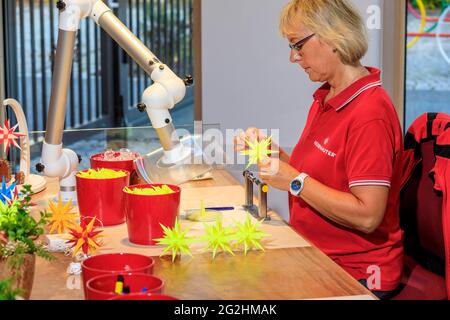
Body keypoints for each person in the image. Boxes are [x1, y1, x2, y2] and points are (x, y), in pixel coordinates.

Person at [235, 0, 403, 299]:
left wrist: (295, 182)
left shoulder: (369, 113)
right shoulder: (328, 96)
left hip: (358, 274)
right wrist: (274, 157)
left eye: (297, 45)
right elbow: (319, 174)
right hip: (319, 253)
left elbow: (367, 216)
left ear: (334, 37)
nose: (293, 57)